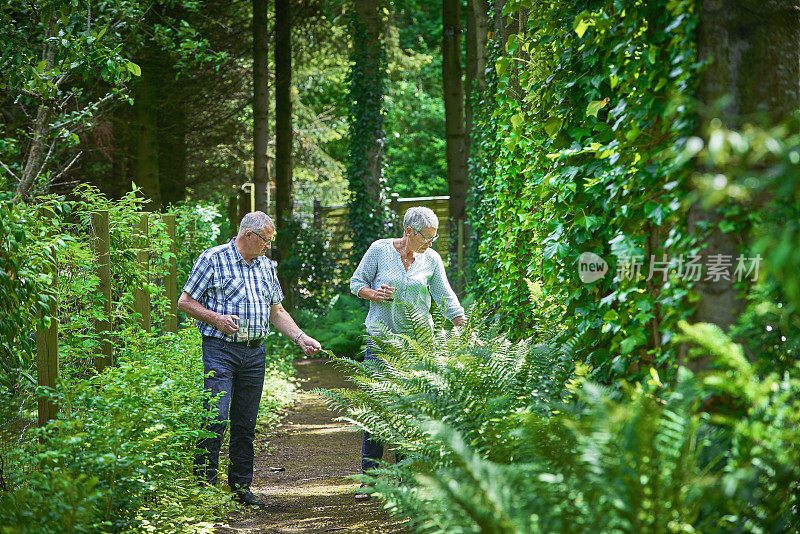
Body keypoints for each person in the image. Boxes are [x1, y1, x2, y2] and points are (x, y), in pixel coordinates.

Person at [178, 211, 321, 506]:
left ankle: (241, 487)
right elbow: (185, 302)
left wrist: (301, 337)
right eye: (266, 241)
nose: (268, 246)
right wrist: (216, 318)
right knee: (214, 416)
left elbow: (277, 311)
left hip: (255, 353)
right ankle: (203, 487)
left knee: (245, 423)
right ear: (248, 236)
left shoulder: (266, 266)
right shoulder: (213, 259)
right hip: (220, 350)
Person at [349, 206, 465, 501]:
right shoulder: (379, 250)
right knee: (377, 410)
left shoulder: (432, 259)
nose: (431, 242)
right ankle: (370, 479)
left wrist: (465, 328)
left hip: (417, 346)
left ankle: (405, 479)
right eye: (427, 237)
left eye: (434, 237)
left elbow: (445, 297)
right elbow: (356, 283)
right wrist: (373, 294)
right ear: (408, 232)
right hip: (381, 342)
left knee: (409, 411)